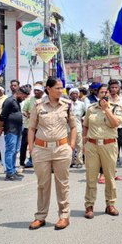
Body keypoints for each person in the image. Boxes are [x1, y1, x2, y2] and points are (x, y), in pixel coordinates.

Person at [27, 77, 76, 230]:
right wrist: (31, 148)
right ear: (48, 89)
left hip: (61, 148)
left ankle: (64, 216)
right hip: (41, 149)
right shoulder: (38, 105)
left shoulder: (67, 105)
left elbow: (73, 126)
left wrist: (71, 146)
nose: (60, 91)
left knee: (62, 184)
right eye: (57, 88)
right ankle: (40, 216)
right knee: (43, 184)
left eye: (62, 88)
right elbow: (31, 128)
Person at [83, 84, 122, 219]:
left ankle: (110, 204)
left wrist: (107, 109)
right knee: (91, 176)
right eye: (101, 92)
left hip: (109, 145)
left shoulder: (116, 108)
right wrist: (84, 142)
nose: (103, 95)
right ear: (97, 94)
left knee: (109, 176)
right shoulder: (91, 109)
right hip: (92, 145)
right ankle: (89, 205)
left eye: (106, 92)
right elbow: (85, 126)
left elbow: (115, 124)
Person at [0, 88, 26, 181]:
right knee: (10, 151)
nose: (24, 98)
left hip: (18, 130)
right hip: (11, 130)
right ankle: (9, 173)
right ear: (19, 93)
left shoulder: (17, 102)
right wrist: (0, 128)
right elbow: (2, 116)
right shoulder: (9, 101)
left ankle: (13, 170)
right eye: (24, 96)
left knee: (15, 151)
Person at [22, 83, 44, 168]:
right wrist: (27, 115)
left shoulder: (45, 100)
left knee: (38, 145)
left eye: (38, 90)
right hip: (29, 126)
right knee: (26, 144)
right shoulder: (29, 100)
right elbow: (24, 111)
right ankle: (25, 161)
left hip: (41, 127)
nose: (36, 92)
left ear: (42, 92)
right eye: (35, 90)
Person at [69, 88, 87, 168]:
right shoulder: (67, 103)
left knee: (79, 145)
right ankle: (70, 161)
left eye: (76, 93)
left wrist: (83, 119)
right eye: (73, 93)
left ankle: (79, 161)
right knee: (69, 145)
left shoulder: (81, 104)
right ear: (70, 95)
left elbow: (86, 113)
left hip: (78, 126)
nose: (75, 95)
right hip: (68, 127)